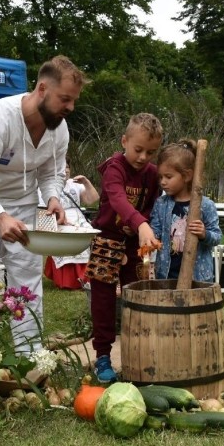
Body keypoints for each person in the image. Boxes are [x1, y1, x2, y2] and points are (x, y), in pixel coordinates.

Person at [0, 56, 87, 354]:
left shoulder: (59, 129)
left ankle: (30, 354)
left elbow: (50, 173)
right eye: (65, 99)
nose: (70, 108)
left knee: (27, 281)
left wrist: (53, 197)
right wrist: (0, 218)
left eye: (73, 100)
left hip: (25, 204)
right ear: (42, 89)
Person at [85, 113, 163, 383]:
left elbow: (153, 203)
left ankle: (136, 352)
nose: (143, 157)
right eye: (138, 149)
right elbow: (117, 198)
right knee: (103, 301)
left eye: (151, 152)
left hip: (134, 246)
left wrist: (143, 222)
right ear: (124, 141)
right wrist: (139, 222)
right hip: (106, 239)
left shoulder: (152, 174)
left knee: (136, 297)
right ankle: (103, 355)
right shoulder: (114, 168)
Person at [150, 139, 222, 282]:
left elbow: (217, 237)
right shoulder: (161, 204)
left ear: (187, 176)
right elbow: (155, 231)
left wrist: (204, 234)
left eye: (168, 177)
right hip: (166, 275)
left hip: (198, 277)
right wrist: (150, 238)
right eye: (160, 177)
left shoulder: (205, 205)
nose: (162, 182)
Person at [40, 158, 100, 289]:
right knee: (66, 235)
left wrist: (86, 182)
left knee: (89, 233)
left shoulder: (74, 184)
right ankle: (67, 281)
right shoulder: (45, 187)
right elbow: (42, 210)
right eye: (62, 167)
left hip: (78, 218)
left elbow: (93, 200)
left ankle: (88, 277)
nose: (65, 170)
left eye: (67, 167)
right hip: (57, 219)